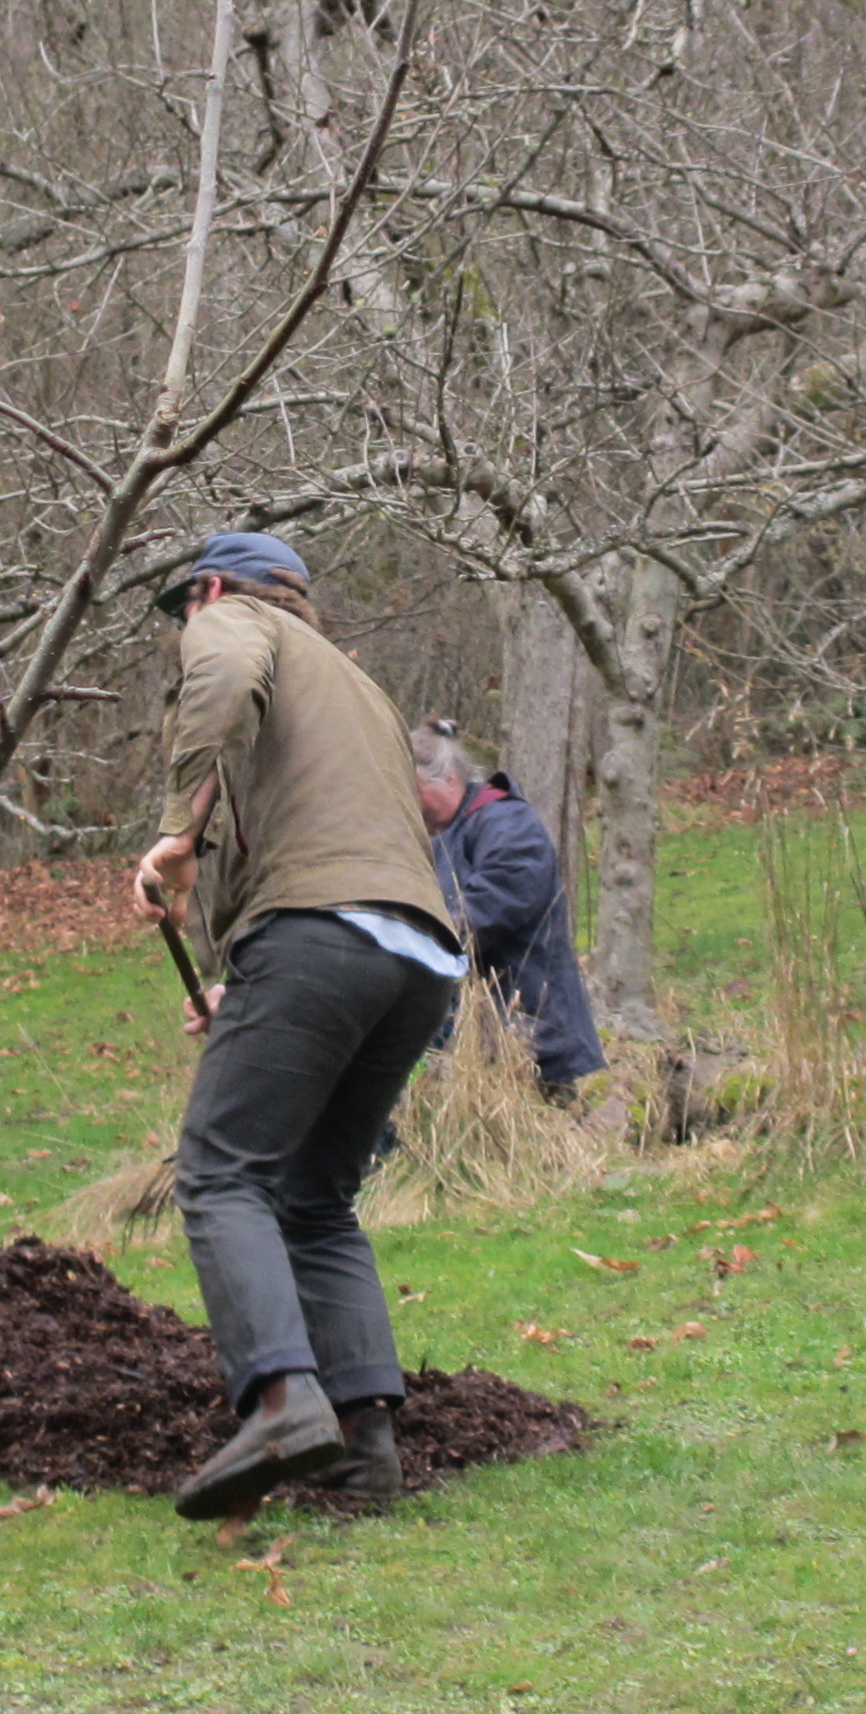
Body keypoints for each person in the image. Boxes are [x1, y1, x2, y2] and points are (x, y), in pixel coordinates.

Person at [130, 530, 464, 1515]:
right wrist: (251, 976)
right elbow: (342, 832)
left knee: (221, 1169)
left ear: (217, 588)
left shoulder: (235, 623)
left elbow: (222, 677)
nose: (186, 632)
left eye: (184, 611)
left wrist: (176, 832)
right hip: (414, 956)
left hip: (324, 939)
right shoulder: (357, 687)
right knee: (315, 1196)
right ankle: (366, 1449)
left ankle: (282, 1400)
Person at [410, 721, 604, 1099]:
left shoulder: (510, 827)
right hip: (476, 1046)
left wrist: (409, 941)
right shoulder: (443, 836)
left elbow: (482, 914)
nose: (407, 805)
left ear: (448, 780)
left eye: (412, 791)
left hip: (533, 1046)